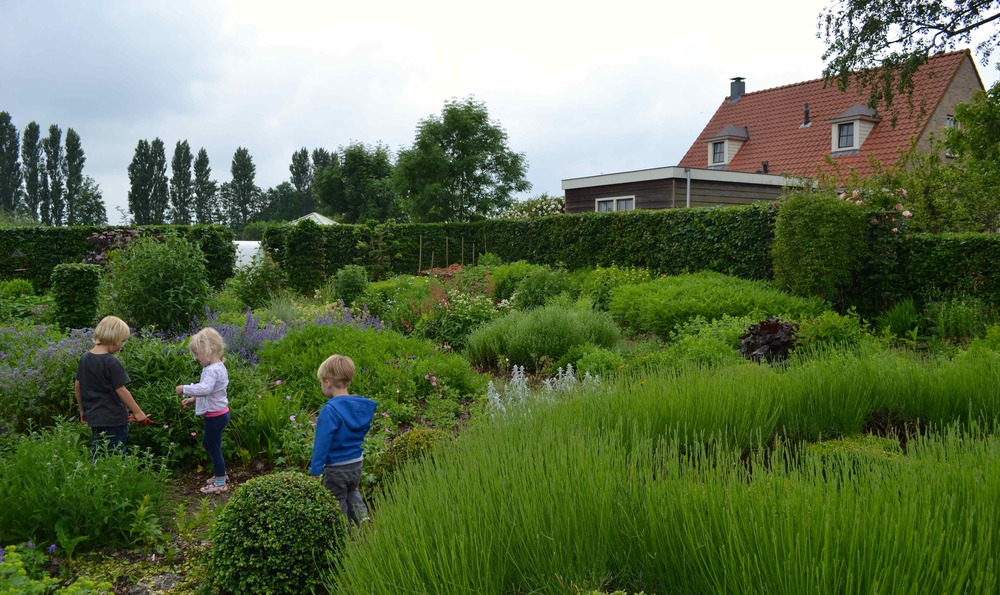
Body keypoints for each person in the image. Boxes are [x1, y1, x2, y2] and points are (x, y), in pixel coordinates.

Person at [309, 354, 377, 525]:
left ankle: (343, 536)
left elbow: (322, 444)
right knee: (352, 491)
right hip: (356, 463)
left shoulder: (330, 410)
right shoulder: (360, 406)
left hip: (336, 467)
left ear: (328, 382)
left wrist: (315, 471)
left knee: (336, 501)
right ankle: (364, 521)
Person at [75, 315, 147, 456]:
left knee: (99, 447)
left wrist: (82, 409)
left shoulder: (85, 358)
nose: (122, 345)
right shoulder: (111, 362)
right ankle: (111, 475)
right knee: (115, 452)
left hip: (95, 417)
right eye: (123, 341)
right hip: (113, 418)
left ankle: (94, 474)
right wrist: (138, 412)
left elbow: (78, 386)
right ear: (114, 339)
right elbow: (121, 389)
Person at [176, 327, 231, 494]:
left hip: (216, 417)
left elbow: (206, 389)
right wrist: (193, 400)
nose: (196, 358)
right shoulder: (214, 366)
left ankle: (220, 481)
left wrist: (185, 389)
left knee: (213, 448)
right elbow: (211, 391)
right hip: (218, 413)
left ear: (211, 350)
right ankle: (221, 474)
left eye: (198, 353)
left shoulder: (213, 370)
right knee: (209, 444)